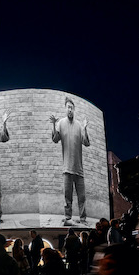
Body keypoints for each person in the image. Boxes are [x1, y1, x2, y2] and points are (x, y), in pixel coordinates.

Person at [49, 97, 90, 226]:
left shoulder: (78, 125)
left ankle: (83, 219)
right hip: (67, 169)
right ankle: (68, 218)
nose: (70, 110)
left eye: (72, 107)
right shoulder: (61, 123)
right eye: (68, 107)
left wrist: (84, 129)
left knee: (82, 198)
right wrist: (53, 125)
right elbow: (55, 139)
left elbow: (86, 143)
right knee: (68, 197)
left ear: (74, 109)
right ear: (65, 109)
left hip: (79, 170)